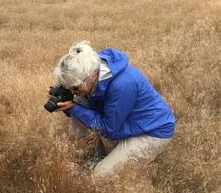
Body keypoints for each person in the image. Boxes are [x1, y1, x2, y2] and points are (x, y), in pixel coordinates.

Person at [51, 41, 176, 178]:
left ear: (91, 75)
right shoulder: (91, 65)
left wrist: (74, 108)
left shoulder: (122, 85)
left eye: (75, 88)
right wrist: (65, 100)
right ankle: (95, 157)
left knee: (98, 178)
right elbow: (83, 100)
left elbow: (109, 130)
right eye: (67, 87)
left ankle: (102, 165)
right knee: (80, 103)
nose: (73, 92)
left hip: (153, 131)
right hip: (128, 122)